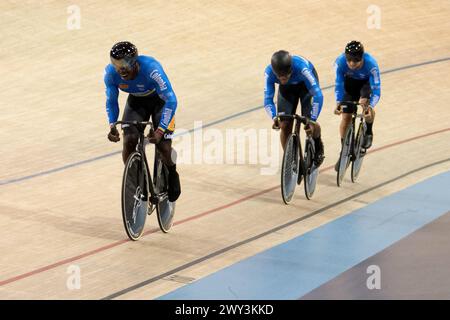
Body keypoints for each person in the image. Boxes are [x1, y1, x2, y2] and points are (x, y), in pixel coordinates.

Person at [104, 41, 181, 202]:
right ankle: (137, 182)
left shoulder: (152, 69)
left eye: (123, 64)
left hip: (160, 101)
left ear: (133, 61)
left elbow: (171, 101)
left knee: (163, 146)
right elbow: (111, 101)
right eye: (116, 64)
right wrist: (112, 124)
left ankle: (172, 172)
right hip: (137, 102)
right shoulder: (111, 74)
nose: (120, 69)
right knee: (129, 140)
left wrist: (160, 131)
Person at [264, 50, 325, 166]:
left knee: (310, 125)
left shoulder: (302, 69)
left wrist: (312, 119)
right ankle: (290, 160)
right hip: (287, 90)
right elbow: (267, 99)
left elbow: (318, 95)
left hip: (306, 87)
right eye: (279, 77)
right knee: (284, 125)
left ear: (290, 70)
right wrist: (274, 117)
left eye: (285, 76)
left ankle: (317, 144)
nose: (282, 79)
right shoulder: (269, 72)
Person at [334, 41, 381, 171]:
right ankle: (344, 151)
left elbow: (376, 91)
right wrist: (338, 102)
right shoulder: (339, 62)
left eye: (356, 61)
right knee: (346, 117)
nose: (352, 64)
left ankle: (369, 130)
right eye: (349, 60)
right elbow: (338, 84)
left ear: (362, 58)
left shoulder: (371, 65)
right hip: (349, 86)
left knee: (365, 103)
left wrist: (370, 105)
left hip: (365, 85)